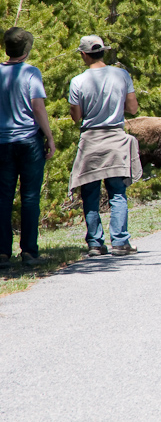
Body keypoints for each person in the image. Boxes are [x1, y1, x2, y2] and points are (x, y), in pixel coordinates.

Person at [68, 35, 142, 257]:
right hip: (116, 139)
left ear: (83, 54)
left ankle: (95, 244)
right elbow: (133, 108)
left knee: (89, 192)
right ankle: (120, 242)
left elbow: (76, 117)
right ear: (103, 52)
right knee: (117, 193)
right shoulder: (121, 75)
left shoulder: (77, 81)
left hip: (91, 140)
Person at [0, 28, 56, 267]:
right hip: (28, 140)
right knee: (30, 197)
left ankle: (2, 253)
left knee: (3, 198)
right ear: (26, 49)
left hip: (2, 142)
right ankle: (29, 252)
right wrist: (50, 137)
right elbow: (38, 107)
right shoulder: (31, 72)